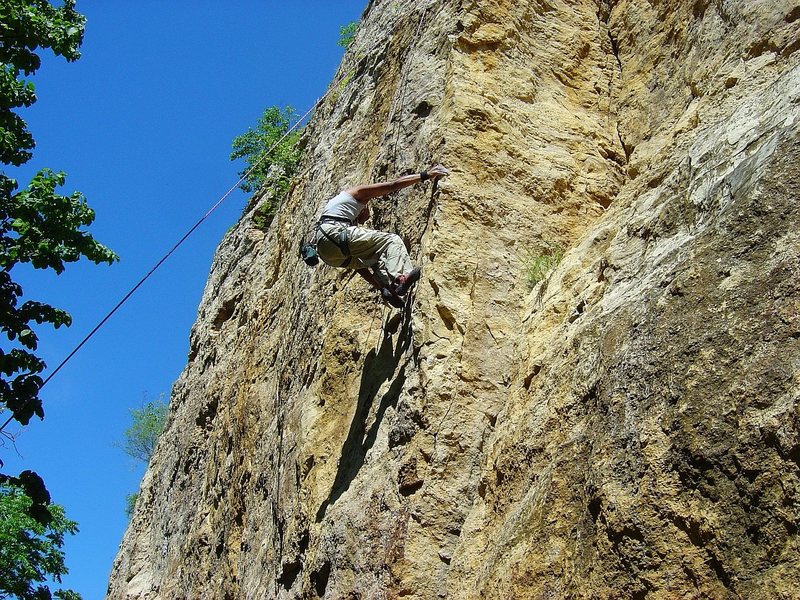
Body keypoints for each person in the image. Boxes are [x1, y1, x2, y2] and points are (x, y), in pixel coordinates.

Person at [314, 165, 449, 307]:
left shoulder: (338, 210)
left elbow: (360, 267)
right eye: (366, 213)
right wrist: (425, 175)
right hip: (334, 232)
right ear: (363, 207)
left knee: (375, 259)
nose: (365, 217)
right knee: (391, 241)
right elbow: (393, 185)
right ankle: (400, 277)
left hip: (328, 253)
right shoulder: (356, 193)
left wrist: (380, 287)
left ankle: (389, 288)